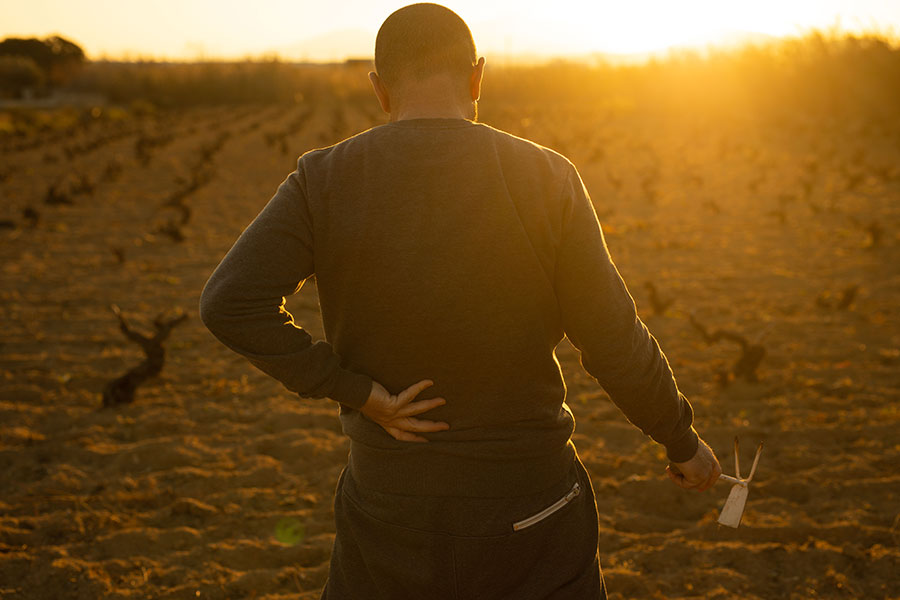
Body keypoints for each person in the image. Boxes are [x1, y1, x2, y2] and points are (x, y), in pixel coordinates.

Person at [199, 3, 723, 598]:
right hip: (531, 507)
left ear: (378, 88)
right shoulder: (547, 177)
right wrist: (681, 441)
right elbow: (612, 338)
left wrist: (357, 392)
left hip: (389, 506)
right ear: (477, 77)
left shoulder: (322, 179)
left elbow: (229, 303)